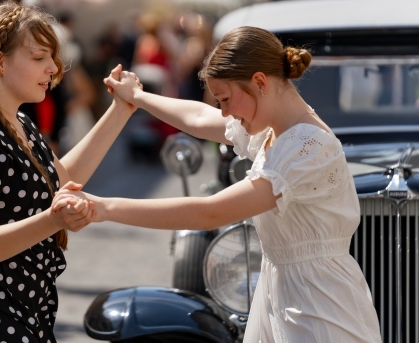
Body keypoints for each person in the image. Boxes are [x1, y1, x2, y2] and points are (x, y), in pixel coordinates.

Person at [54, 26, 383, 342]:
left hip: (320, 306)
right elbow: (198, 119)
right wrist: (137, 97)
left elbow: (210, 213)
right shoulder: (273, 131)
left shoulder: (308, 146)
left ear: (259, 82)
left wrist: (103, 208)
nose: (224, 111)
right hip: (282, 293)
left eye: (225, 99)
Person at [0, 1, 135, 343]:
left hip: (22, 302)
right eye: (39, 57)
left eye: (52, 58)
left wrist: (120, 112)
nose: (53, 68)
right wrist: (53, 221)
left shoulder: (18, 121)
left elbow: (62, 177)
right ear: (0, 61)